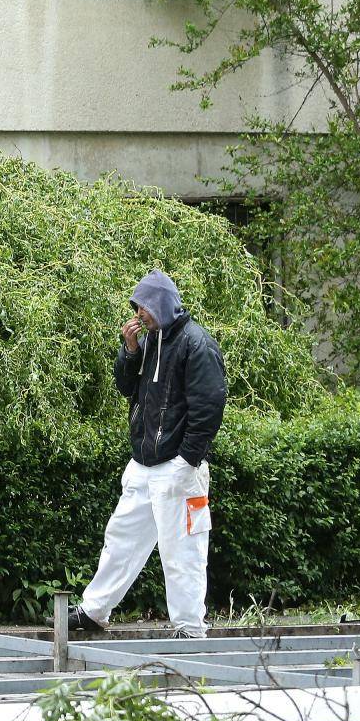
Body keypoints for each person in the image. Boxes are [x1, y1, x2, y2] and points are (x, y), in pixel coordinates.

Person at [67, 270, 225, 639]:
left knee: (182, 552)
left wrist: (187, 460)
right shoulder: (152, 340)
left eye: (144, 307)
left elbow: (209, 407)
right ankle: (94, 611)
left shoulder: (196, 344)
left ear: (161, 304)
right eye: (137, 308)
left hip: (176, 467)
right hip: (145, 463)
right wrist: (130, 350)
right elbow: (127, 388)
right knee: (121, 537)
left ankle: (189, 628)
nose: (139, 314)